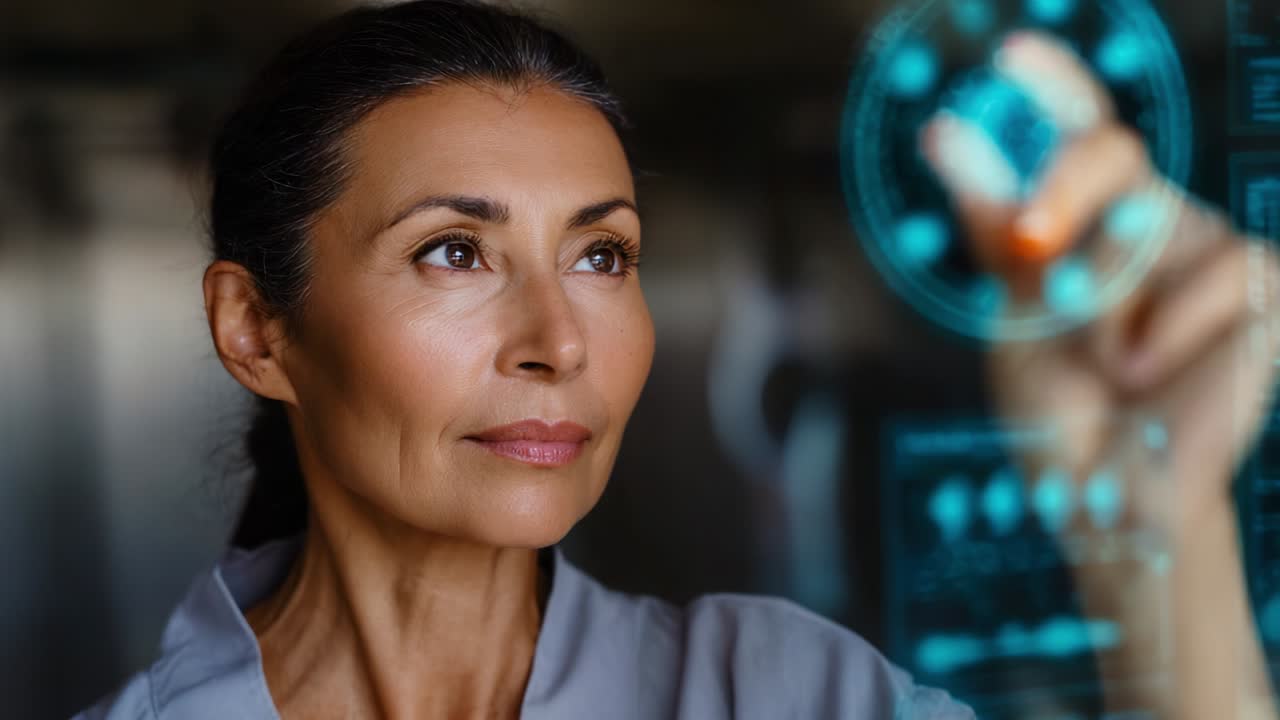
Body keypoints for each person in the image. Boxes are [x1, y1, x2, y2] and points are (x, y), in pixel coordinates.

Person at [72, 1, 1278, 718]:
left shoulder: (783, 692)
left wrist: (1162, 536)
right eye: (454, 252)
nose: (557, 341)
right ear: (256, 329)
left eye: (601, 257)